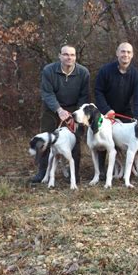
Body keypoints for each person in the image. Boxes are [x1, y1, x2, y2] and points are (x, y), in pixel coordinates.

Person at [31, 45, 90, 183]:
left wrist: (77, 113)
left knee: (75, 140)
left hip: (74, 109)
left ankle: (74, 173)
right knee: (45, 139)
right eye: (65, 54)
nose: (69, 57)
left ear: (75, 57)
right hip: (52, 108)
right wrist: (59, 109)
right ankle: (42, 172)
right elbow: (47, 93)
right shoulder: (49, 70)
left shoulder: (83, 72)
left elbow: (84, 96)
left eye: (72, 55)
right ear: (59, 56)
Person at [94, 42, 138, 179]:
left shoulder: (136, 75)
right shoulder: (105, 71)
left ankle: (128, 168)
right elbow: (98, 92)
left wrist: (137, 116)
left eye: (128, 52)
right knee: (104, 139)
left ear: (132, 55)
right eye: (122, 51)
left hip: (125, 112)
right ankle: (101, 170)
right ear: (117, 53)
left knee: (131, 138)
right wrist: (106, 110)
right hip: (106, 111)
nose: (125, 55)